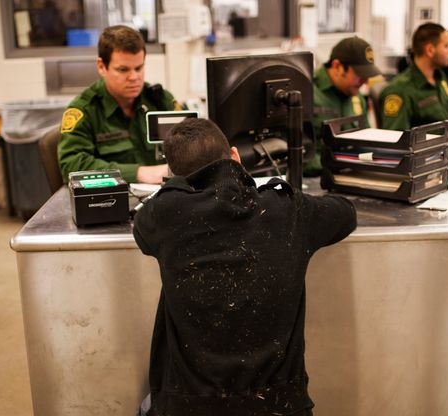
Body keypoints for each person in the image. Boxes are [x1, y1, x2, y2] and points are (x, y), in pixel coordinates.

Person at [132, 118, 357, 416]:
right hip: (279, 407)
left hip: (192, 407)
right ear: (236, 157)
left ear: (173, 176)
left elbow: (142, 228)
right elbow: (346, 213)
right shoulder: (288, 210)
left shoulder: (164, 215)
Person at [58, 25, 180, 184]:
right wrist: (137, 173)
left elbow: (192, 145)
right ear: (102, 66)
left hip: (164, 196)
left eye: (139, 68)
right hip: (112, 200)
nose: (134, 77)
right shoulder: (85, 110)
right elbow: (71, 165)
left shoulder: (160, 100)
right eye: (123, 70)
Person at [306, 36, 382, 175]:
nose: (365, 82)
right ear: (337, 67)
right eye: (360, 75)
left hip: (352, 176)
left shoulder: (357, 98)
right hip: (313, 179)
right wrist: (340, 163)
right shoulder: (306, 92)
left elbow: (368, 143)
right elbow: (298, 157)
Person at [380, 23, 448, 133]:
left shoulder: (440, 78)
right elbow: (394, 140)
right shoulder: (400, 89)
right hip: (429, 149)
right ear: (430, 50)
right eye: (446, 46)